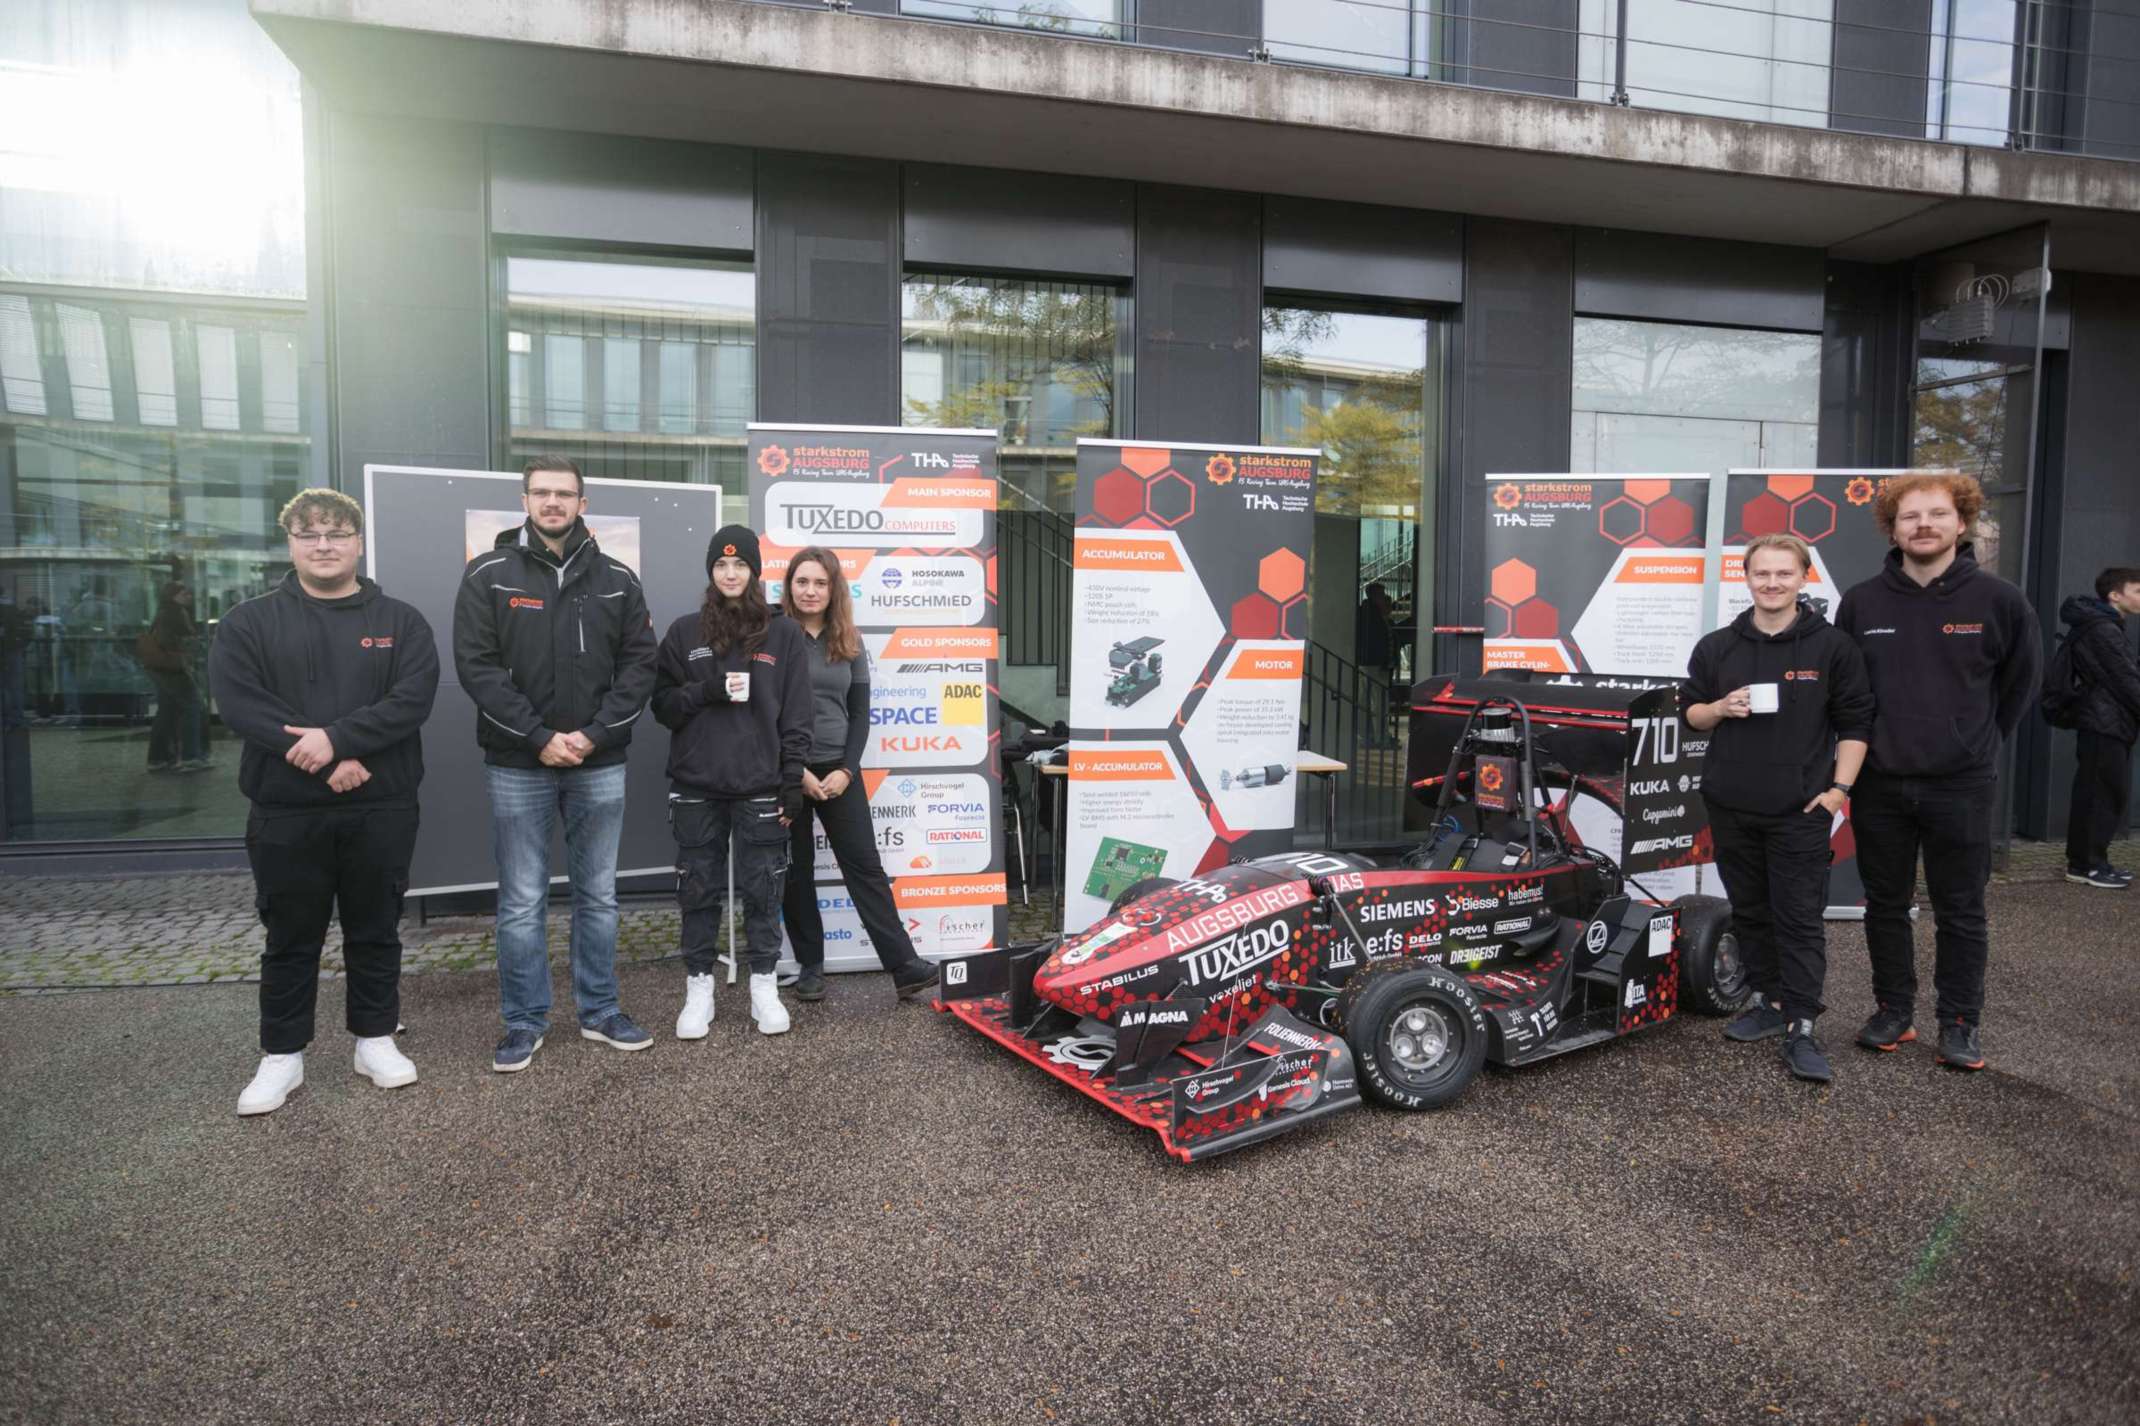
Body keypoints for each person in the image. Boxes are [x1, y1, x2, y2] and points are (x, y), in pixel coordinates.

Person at [210, 489, 440, 1116]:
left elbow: (411, 700)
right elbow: (242, 704)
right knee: (290, 937)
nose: (323, 545)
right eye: (309, 534)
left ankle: (374, 1039)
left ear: (358, 543)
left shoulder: (401, 622)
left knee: (375, 929)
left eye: (337, 533)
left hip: (381, 805)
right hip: (288, 809)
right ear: (291, 542)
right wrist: (330, 760)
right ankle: (282, 1057)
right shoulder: (249, 623)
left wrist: (337, 740)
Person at [453, 456, 658, 1073]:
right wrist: (540, 735)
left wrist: (593, 736)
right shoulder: (488, 574)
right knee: (520, 900)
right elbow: (477, 667)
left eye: (563, 494)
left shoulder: (619, 579)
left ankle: (599, 1011)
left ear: (582, 503)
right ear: (524, 499)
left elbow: (639, 667)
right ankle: (524, 1020)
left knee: (598, 896)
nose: (552, 502)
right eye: (541, 492)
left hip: (599, 761)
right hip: (519, 761)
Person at [1836, 473, 2040, 1072]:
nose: (1923, 524)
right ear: (1892, 527)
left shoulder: (2000, 601)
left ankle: (1959, 1021)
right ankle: (1894, 1011)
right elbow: (1849, 694)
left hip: (1962, 784)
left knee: (1961, 908)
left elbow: (2018, 687)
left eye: (1936, 513)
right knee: (1885, 905)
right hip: (1879, 782)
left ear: (1962, 521)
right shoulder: (1862, 602)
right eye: (1909, 516)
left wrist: (1972, 743)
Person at [1684, 533, 1872, 1084]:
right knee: (1750, 911)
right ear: (1746, 579)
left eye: (1783, 574)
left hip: (1800, 811)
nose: (1771, 583)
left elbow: (1857, 725)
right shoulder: (1718, 646)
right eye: (1761, 574)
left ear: (1803, 578)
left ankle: (1803, 1025)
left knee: (1798, 918)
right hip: (1730, 805)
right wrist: (1718, 707)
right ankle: (1767, 1001)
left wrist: (1838, 792)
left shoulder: (1833, 647)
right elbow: (1690, 714)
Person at [651, 526, 811, 1038]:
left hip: (761, 784)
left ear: (755, 571)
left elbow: (798, 715)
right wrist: (707, 691)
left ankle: (763, 986)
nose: (730, 573)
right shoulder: (683, 632)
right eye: (721, 566)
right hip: (697, 783)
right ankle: (700, 987)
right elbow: (662, 707)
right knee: (697, 890)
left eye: (740, 565)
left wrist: (791, 779)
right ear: (711, 572)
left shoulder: (782, 633)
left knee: (764, 891)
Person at [779, 545, 942, 1005]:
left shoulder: (848, 639)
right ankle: (810, 967)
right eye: (802, 581)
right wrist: (798, 772)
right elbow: (764, 712)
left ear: (834, 590)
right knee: (796, 872)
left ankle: (905, 967)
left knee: (866, 868)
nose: (810, 591)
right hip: (789, 771)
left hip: (839, 773)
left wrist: (848, 770)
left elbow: (860, 714)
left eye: (820, 583)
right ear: (789, 586)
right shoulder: (774, 635)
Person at [2059, 567, 2140, 889]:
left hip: (2109, 721)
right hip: (2103, 722)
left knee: (2104, 792)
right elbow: (2126, 682)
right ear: (2115, 595)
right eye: (2137, 590)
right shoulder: (2102, 630)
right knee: (2099, 794)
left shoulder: (2107, 627)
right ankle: (2086, 865)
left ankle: (2093, 861)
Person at [142, 581, 210, 772]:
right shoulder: (175, 613)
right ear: (173, 596)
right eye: (184, 593)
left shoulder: (163, 611)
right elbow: (178, 641)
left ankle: (158, 758)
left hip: (160, 667)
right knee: (193, 706)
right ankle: (190, 757)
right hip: (173, 668)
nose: (188, 596)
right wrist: (192, 647)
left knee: (167, 710)